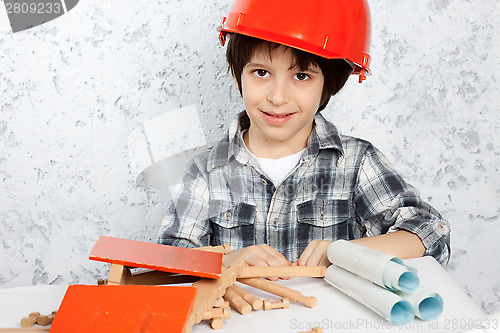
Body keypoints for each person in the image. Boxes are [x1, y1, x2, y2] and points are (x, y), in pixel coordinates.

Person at [157, 0, 450, 269]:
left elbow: (431, 234)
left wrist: (346, 253)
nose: (278, 96)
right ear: (237, 76)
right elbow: (168, 261)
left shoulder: (355, 163)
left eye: (301, 76)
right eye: (261, 72)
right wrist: (229, 261)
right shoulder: (208, 171)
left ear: (328, 85)